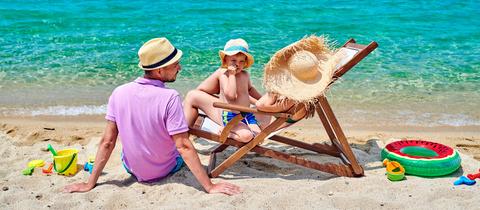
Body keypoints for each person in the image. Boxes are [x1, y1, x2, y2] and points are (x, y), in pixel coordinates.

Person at [63, 38, 241, 195]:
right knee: (183, 137)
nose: (179, 67)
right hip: (165, 170)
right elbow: (184, 146)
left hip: (131, 168)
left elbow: (107, 142)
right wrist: (209, 186)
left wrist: (90, 183)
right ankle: (203, 121)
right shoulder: (170, 97)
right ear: (159, 71)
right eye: (174, 64)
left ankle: (200, 121)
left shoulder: (118, 93)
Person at [217, 38, 261, 142]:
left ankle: (245, 131)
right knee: (247, 137)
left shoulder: (245, 75)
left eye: (241, 61)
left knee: (259, 137)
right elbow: (231, 96)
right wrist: (232, 75)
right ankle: (225, 132)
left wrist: (261, 100)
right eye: (233, 61)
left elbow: (250, 89)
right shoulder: (225, 76)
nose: (237, 64)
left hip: (247, 114)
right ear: (225, 61)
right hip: (231, 117)